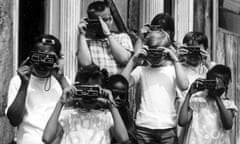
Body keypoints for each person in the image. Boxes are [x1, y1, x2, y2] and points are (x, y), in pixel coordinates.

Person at [121, 30, 189, 144]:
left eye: (159, 53)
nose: (155, 57)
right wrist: (133, 61)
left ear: (167, 51)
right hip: (144, 126)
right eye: (152, 53)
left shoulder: (172, 70)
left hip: (167, 127)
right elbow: (122, 85)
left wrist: (175, 60)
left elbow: (184, 85)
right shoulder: (141, 70)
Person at [6, 34, 70, 144]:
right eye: (39, 56)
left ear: (57, 59)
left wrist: (61, 78)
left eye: (48, 58)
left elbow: (74, 111)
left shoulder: (63, 82)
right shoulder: (18, 81)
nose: (43, 62)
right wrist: (24, 84)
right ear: (30, 57)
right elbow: (14, 120)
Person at [42, 64, 129, 144]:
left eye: (93, 91)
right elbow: (47, 138)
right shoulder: (68, 115)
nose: (88, 95)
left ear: (102, 91)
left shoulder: (106, 116)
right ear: (77, 88)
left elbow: (123, 138)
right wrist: (61, 102)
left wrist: (111, 105)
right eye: (84, 90)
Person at [178, 64, 238, 144]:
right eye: (211, 82)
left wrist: (217, 97)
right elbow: (182, 121)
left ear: (225, 85)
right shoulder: (198, 100)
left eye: (218, 83)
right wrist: (189, 94)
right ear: (207, 81)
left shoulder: (227, 104)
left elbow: (228, 125)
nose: (214, 86)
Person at [77, 1, 133, 75]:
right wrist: (82, 34)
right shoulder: (86, 41)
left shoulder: (122, 37)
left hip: (116, 84)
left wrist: (108, 35)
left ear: (111, 19)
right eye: (98, 21)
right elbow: (85, 64)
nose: (102, 24)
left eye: (105, 20)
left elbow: (124, 59)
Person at [107, 74, 138, 144]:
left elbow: (127, 140)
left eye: (122, 95)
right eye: (114, 94)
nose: (118, 98)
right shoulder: (101, 112)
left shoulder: (127, 117)